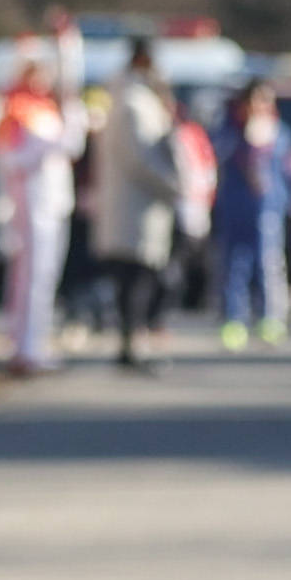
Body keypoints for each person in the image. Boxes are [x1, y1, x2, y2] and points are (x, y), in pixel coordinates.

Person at [0, 25, 85, 375]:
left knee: (44, 278)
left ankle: (34, 343)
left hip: (55, 201)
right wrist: (40, 152)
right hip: (30, 204)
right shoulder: (14, 108)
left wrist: (70, 51)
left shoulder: (47, 107)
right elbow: (7, 159)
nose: (44, 75)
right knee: (29, 277)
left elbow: (73, 144)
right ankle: (24, 348)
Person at [92, 38, 179, 372]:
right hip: (134, 208)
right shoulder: (132, 102)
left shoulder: (133, 98)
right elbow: (140, 159)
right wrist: (172, 184)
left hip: (136, 207)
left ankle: (133, 344)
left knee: (138, 281)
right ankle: (131, 347)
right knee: (134, 282)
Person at [214, 79, 291, 348]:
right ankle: (233, 320)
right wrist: (245, 143)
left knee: (268, 263)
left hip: (268, 209)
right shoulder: (230, 131)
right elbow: (218, 153)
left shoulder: (279, 133)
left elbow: (286, 171)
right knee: (234, 264)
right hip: (236, 207)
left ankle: (270, 318)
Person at [172, 102, 218, 318]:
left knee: (187, 253)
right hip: (198, 200)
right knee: (196, 252)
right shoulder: (196, 134)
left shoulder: (182, 135)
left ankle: (192, 297)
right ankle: (196, 298)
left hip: (188, 200)